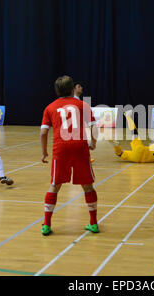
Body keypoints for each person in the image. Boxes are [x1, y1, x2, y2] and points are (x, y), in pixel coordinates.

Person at [40, 75, 98, 236]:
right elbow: (94, 127)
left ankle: (47, 224)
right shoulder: (82, 105)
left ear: (57, 91)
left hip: (61, 149)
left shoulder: (50, 107)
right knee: (87, 186)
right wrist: (93, 143)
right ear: (73, 89)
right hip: (80, 147)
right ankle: (93, 223)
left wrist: (44, 151)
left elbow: (43, 132)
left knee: (55, 186)